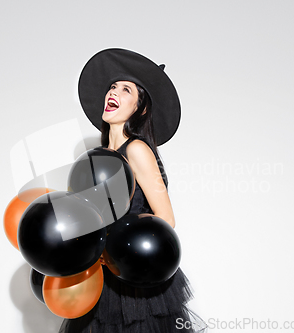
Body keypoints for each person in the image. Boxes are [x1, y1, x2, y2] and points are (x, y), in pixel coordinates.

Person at [59, 48, 206, 333]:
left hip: (132, 275)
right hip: (98, 273)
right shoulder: (97, 156)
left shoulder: (137, 149)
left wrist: (119, 248)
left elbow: (166, 218)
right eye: (112, 86)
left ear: (141, 108)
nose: (113, 92)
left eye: (126, 89)